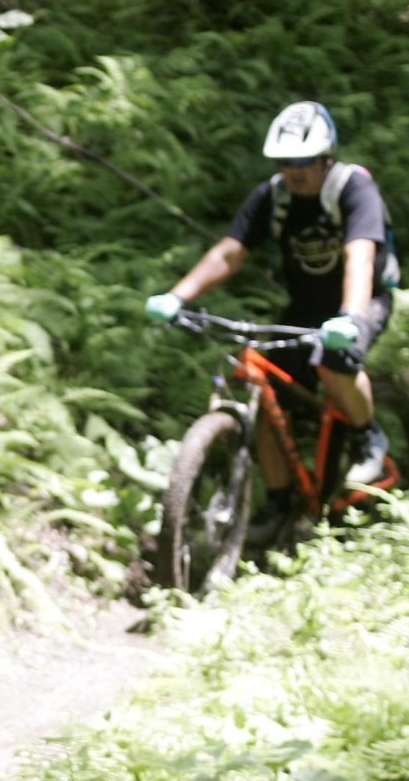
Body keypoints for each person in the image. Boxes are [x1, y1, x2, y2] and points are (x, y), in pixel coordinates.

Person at [144, 99, 394, 503]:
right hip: (305, 308)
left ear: (325, 158)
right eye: (285, 162)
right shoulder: (272, 198)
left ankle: (369, 440)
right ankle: (279, 505)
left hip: (363, 300)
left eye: (304, 161)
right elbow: (230, 252)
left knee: (335, 364)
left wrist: (350, 317)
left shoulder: (353, 188)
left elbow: (360, 255)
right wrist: (177, 297)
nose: (294, 171)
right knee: (266, 394)